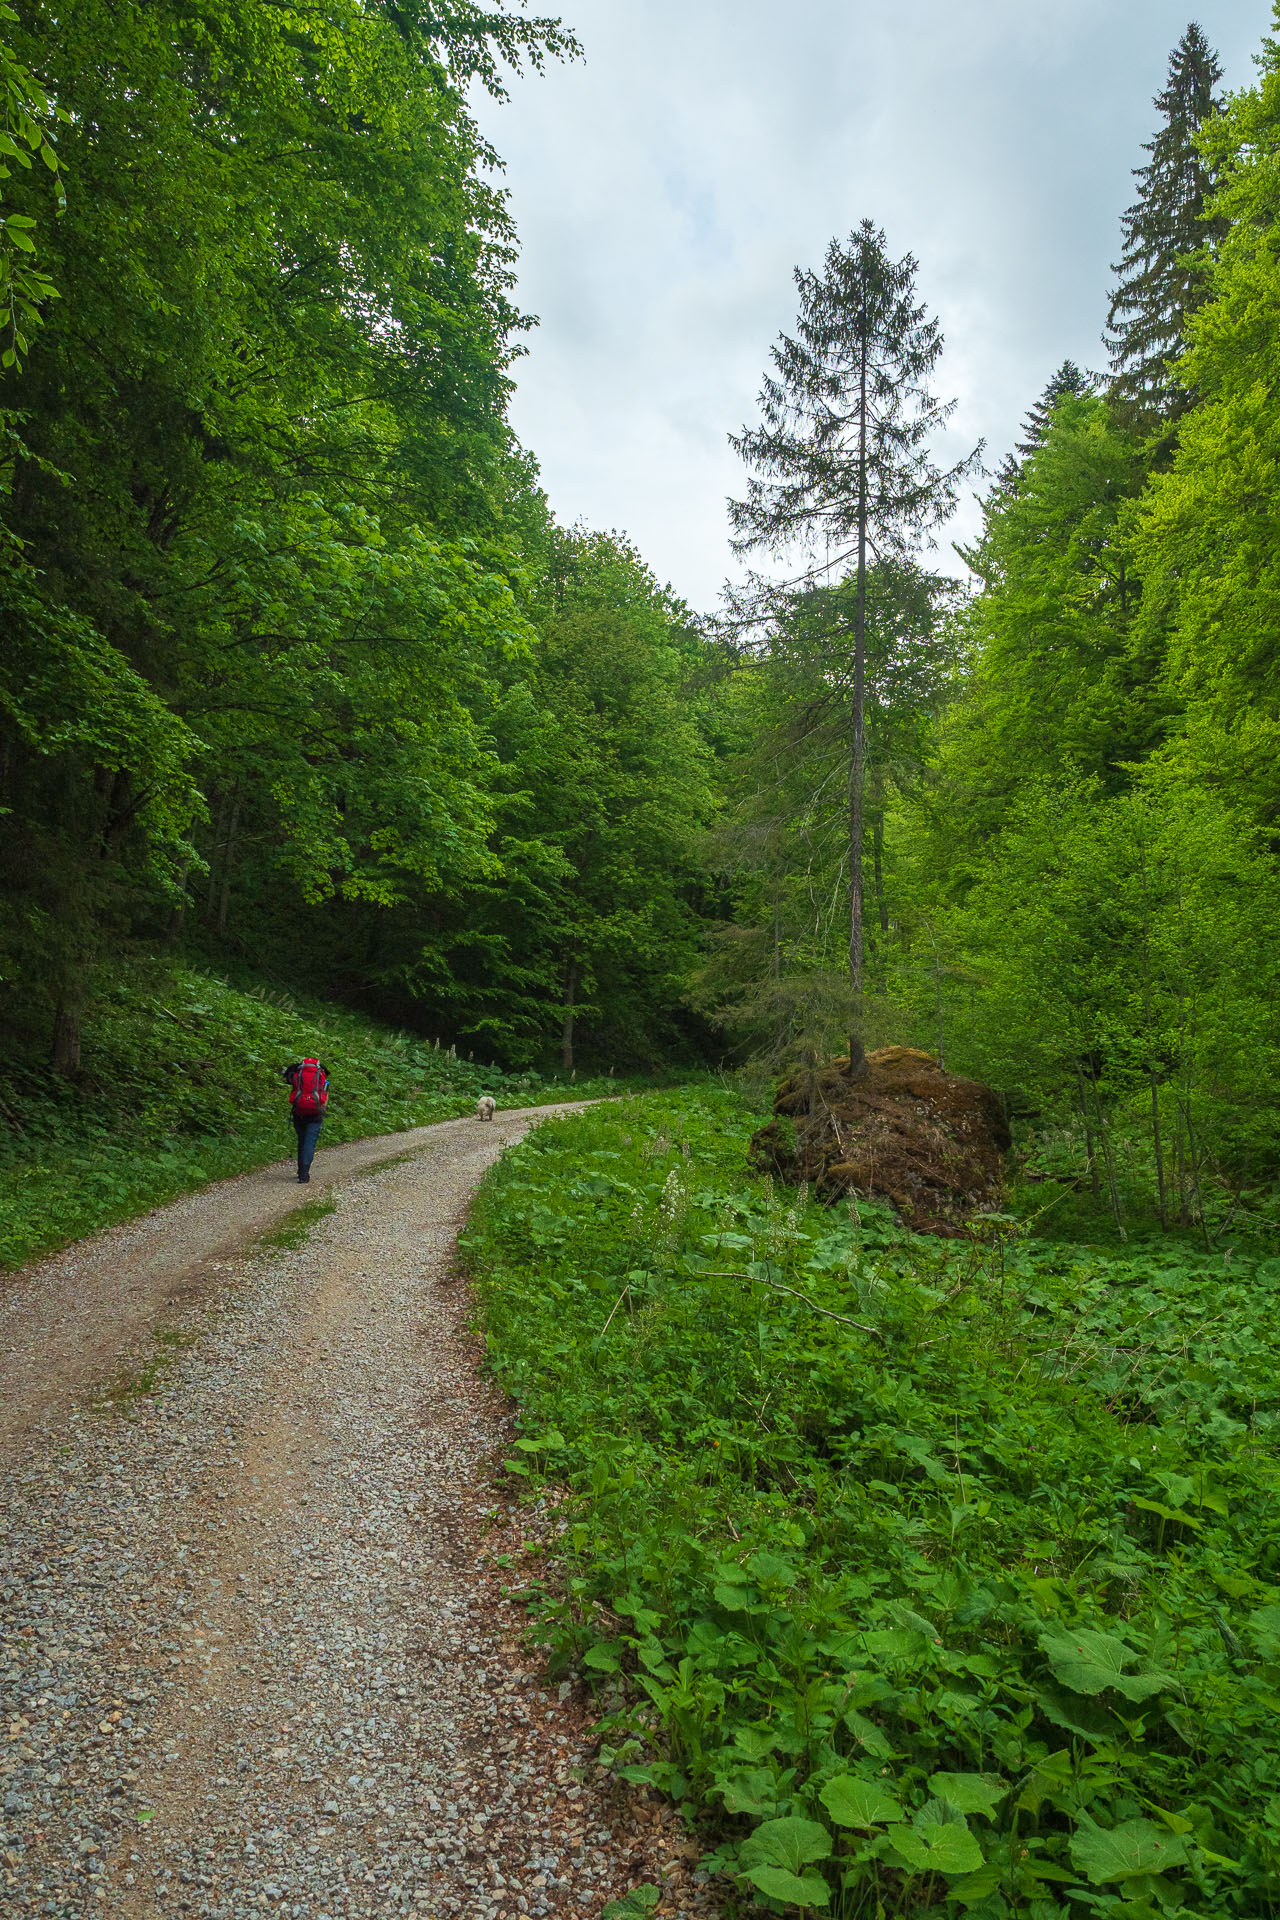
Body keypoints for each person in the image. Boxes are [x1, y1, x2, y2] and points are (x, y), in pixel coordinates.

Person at [281, 1056, 329, 1183]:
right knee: (310, 1142)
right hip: (315, 1113)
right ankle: (304, 1172)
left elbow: (289, 1081)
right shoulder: (322, 1075)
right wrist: (323, 1108)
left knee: (301, 1140)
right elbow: (325, 1093)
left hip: (299, 1112)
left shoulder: (297, 1073)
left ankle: (301, 1170)